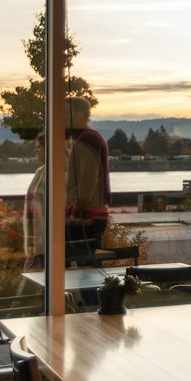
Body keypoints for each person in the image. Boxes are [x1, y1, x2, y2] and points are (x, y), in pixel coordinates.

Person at [65, 96, 111, 264]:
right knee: (89, 267)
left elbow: (88, 176)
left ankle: (95, 291)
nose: (62, 117)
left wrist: (78, 209)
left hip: (87, 215)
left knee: (88, 269)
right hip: (91, 212)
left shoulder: (86, 139)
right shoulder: (87, 138)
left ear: (79, 115)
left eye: (65, 112)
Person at [23, 131, 47, 270]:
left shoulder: (58, 172)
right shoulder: (40, 171)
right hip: (36, 241)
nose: (35, 150)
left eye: (39, 146)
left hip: (46, 242)